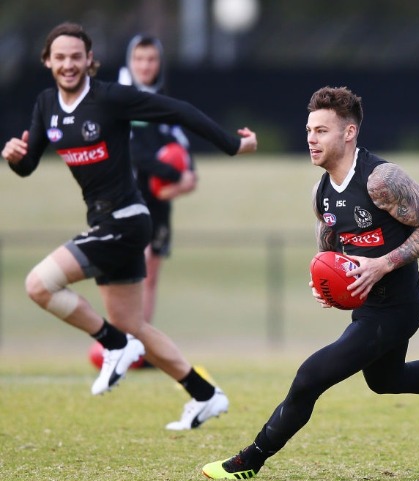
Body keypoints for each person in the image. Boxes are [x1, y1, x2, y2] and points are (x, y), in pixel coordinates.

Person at [201, 86, 419, 480]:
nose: (311, 138)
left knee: (309, 378)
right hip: (368, 309)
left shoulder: (381, 179)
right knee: (387, 380)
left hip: (398, 308)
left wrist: (382, 265)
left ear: (349, 133)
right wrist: (323, 283)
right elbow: (331, 248)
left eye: (321, 130)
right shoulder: (322, 192)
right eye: (309, 130)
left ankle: (249, 460)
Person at [1, 22, 257, 430]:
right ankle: (205, 395)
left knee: (39, 285)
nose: (68, 64)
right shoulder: (46, 103)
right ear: (48, 61)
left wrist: (231, 144)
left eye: (76, 57)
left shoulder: (110, 98)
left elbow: (178, 110)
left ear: (90, 61)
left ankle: (113, 345)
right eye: (60, 57)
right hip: (105, 221)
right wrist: (15, 157)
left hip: (125, 220)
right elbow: (28, 164)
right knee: (133, 324)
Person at [118, 34, 197, 326]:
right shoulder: (121, 101)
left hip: (159, 203)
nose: (145, 65)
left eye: (151, 59)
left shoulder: (165, 106)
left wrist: (185, 179)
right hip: (129, 201)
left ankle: (143, 347)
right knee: (133, 273)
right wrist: (177, 175)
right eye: (139, 58)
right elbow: (136, 155)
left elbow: (183, 153)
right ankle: (123, 340)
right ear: (130, 61)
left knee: (150, 275)